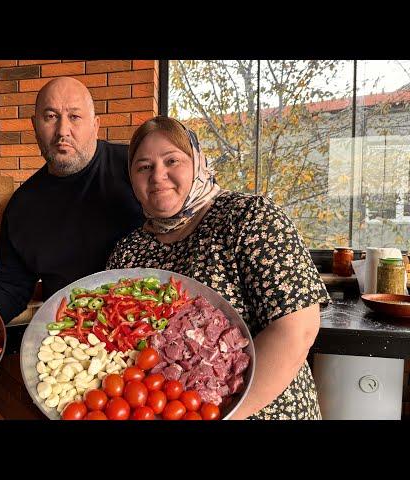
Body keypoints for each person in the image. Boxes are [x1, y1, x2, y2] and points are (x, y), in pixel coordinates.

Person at [106, 116, 331, 419]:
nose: (158, 175)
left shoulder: (249, 217)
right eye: (144, 166)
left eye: (172, 160)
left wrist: (227, 417)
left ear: (198, 162)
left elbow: (297, 330)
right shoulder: (127, 252)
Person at [0, 77, 144, 324]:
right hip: (68, 340)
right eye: (50, 116)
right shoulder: (22, 205)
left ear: (95, 125)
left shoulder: (137, 170)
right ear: (35, 126)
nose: (62, 131)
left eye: (75, 117)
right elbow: (11, 285)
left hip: (145, 324)